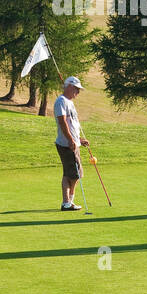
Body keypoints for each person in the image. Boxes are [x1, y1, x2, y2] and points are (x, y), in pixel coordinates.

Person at [54, 76, 89, 211]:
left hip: (73, 143)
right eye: (76, 89)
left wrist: (79, 139)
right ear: (68, 86)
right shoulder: (61, 101)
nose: (78, 92)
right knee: (72, 174)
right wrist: (70, 140)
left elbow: (72, 124)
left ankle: (69, 202)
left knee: (73, 174)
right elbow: (62, 122)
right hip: (66, 144)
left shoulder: (69, 102)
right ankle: (66, 202)